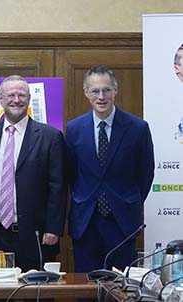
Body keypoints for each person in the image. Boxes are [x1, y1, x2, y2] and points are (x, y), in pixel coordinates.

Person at [65, 66, 155, 273]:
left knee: (121, 288)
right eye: (95, 91)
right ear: (86, 93)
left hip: (122, 221)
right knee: (86, 288)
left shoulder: (138, 128)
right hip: (86, 222)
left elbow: (145, 173)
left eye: (106, 90)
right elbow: (70, 173)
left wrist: (127, 200)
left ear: (116, 90)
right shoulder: (74, 129)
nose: (101, 96)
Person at [0, 75, 67, 272]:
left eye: (21, 95)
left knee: (36, 293)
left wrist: (53, 227)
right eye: (10, 95)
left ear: (28, 98)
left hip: (36, 234)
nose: (16, 100)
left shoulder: (50, 136)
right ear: (0, 99)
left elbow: (58, 186)